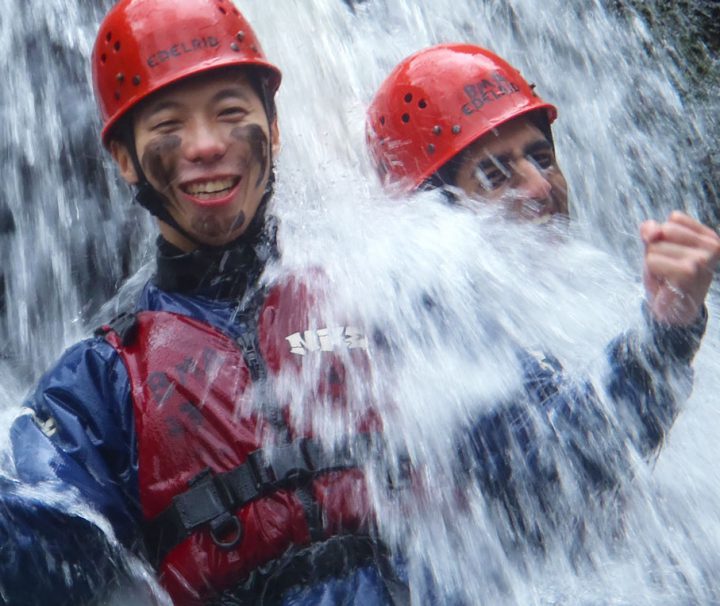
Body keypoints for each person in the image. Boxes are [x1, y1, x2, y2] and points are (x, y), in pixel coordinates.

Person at [1, 1, 402, 605]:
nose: (207, 145)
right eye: (168, 126)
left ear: (274, 126)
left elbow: (513, 451)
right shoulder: (99, 383)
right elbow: (43, 543)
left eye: (231, 112)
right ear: (125, 160)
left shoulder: (379, 295)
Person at [365, 42, 720, 546]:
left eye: (542, 157)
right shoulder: (426, 327)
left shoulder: (553, 303)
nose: (539, 187)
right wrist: (665, 336)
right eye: (494, 173)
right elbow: (551, 475)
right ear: (431, 214)